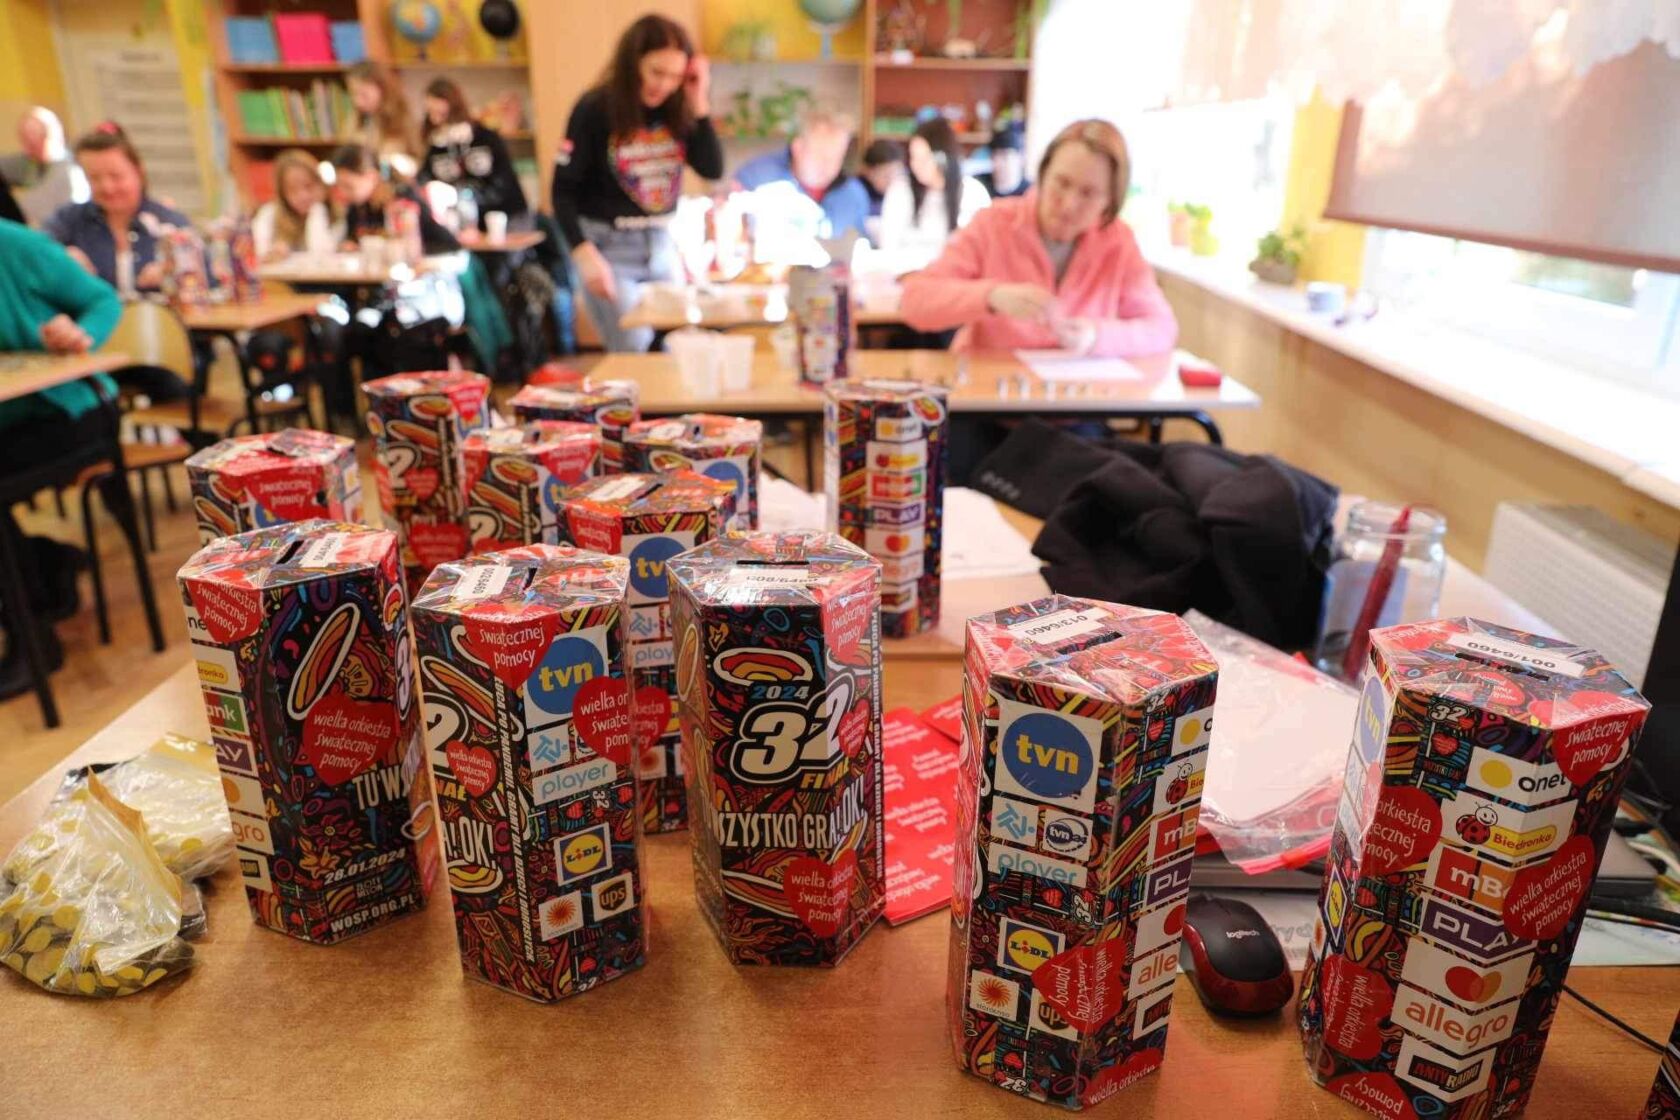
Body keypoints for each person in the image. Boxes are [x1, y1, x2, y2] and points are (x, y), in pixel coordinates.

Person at [899, 118, 1176, 358]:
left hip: (1075, 397)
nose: (1069, 204)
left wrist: (1096, 336)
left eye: (1088, 193)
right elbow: (915, 301)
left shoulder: (1118, 240)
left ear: (1110, 202)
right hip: (989, 393)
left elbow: (1162, 328)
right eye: (1062, 183)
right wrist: (991, 296)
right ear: (1042, 175)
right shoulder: (994, 224)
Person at [0, 218, 125, 697]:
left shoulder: (15, 245)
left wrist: (79, 333)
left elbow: (102, 299)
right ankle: (47, 562)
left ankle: (31, 635)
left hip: (73, 409)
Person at [550, 14, 722, 352]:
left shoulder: (677, 108)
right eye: (657, 72)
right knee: (634, 347)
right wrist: (584, 254)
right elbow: (562, 190)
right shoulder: (595, 108)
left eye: (675, 76)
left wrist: (699, 100)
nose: (665, 85)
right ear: (633, 63)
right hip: (608, 247)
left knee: (678, 345)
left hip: (660, 243)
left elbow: (712, 168)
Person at [45, 123, 193, 296]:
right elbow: (33, 253)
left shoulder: (170, 221)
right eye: (94, 178)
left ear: (138, 171)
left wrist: (175, 271)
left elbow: (204, 277)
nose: (107, 187)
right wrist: (61, 256)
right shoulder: (68, 220)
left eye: (116, 176)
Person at [733, 106, 869, 239]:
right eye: (819, 155)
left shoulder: (854, 196)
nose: (827, 165)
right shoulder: (757, 177)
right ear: (797, 147)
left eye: (836, 157)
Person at [419, 77, 528, 230]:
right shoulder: (436, 146)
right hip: (462, 223)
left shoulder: (485, 138)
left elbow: (503, 184)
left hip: (504, 217)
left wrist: (461, 197)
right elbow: (424, 180)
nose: (436, 120)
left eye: (442, 114)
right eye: (431, 113)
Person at [878, 118, 990, 265]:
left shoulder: (973, 193)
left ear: (943, 158)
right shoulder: (900, 191)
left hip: (958, 274)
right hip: (909, 274)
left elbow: (984, 249)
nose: (916, 165)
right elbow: (888, 246)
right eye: (913, 157)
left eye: (924, 158)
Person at [330, 144, 459, 255]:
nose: (343, 193)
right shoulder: (357, 208)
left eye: (348, 186)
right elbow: (351, 240)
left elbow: (447, 243)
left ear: (371, 176)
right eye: (339, 185)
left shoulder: (404, 201)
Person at [0, 107, 87, 226]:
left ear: (53, 136)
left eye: (33, 142)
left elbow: (74, 217)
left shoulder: (70, 172)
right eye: (25, 141)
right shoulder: (30, 163)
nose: (27, 149)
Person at [251, 148, 338, 261]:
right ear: (282, 194)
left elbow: (322, 254)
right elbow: (260, 255)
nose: (303, 196)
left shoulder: (336, 216)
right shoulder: (268, 215)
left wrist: (316, 212)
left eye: (308, 186)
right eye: (293, 190)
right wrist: (273, 253)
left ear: (320, 183)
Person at [347, 61, 419, 180]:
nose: (357, 102)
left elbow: (417, 159)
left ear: (382, 89)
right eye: (354, 94)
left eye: (364, 95)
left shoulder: (402, 119)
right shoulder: (356, 120)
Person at [977, 121, 1028, 199]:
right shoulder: (978, 187)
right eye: (995, 156)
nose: (999, 162)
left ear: (1021, 158)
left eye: (1005, 156)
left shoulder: (1031, 193)